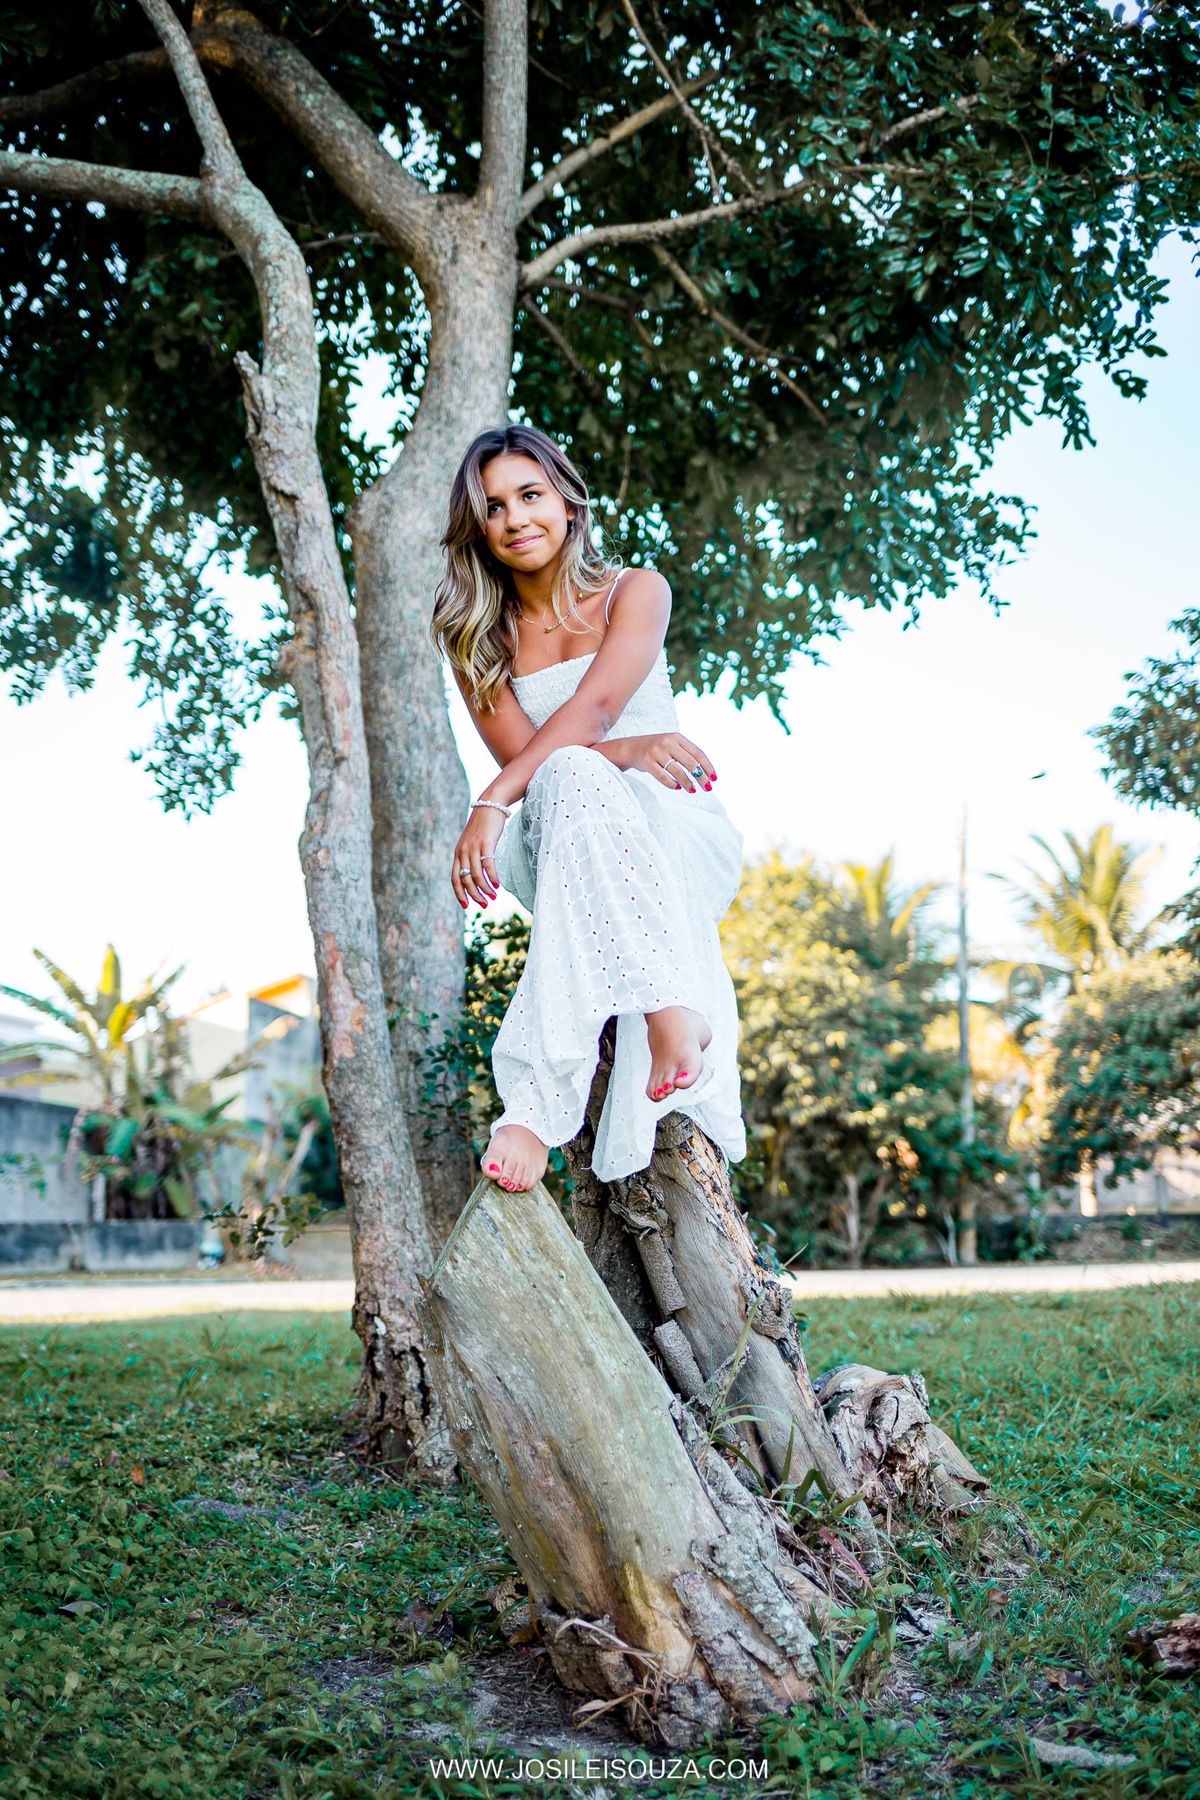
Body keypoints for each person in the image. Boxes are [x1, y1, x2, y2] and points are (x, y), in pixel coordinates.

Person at [432, 425, 746, 1193]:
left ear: (569, 504)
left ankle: (535, 1108)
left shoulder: (636, 591)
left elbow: (600, 708)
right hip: (555, 829)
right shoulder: (476, 634)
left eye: (530, 495)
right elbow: (536, 767)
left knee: (578, 763)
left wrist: (491, 802)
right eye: (494, 508)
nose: (515, 519)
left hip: (671, 824)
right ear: (480, 530)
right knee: (571, 774)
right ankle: (672, 1005)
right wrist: (625, 753)